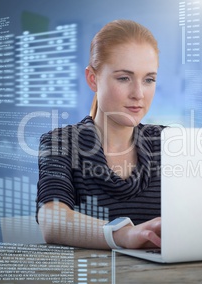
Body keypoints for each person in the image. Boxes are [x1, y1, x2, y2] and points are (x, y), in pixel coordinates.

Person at [36, 19, 163, 249]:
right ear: (93, 79)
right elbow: (51, 221)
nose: (138, 94)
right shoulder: (60, 143)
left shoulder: (170, 143)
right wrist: (124, 235)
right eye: (124, 78)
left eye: (149, 80)